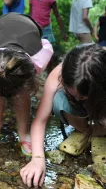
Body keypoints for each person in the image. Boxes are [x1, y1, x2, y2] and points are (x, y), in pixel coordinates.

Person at [20, 44, 106, 188]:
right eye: (73, 93)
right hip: (81, 110)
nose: (78, 98)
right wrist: (37, 159)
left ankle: (99, 132)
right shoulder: (58, 74)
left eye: (83, 96)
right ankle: (84, 131)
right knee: (58, 100)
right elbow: (40, 121)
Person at [0, 13, 53, 155]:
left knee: (22, 91)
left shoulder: (39, 59)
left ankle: (23, 132)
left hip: (30, 27)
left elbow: (46, 43)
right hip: (2, 25)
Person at [30, 0, 68, 72]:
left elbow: (57, 16)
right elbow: (30, 16)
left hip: (46, 30)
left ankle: (50, 73)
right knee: (34, 52)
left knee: (47, 53)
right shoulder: (32, 1)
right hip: (35, 30)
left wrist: (63, 32)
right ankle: (36, 74)